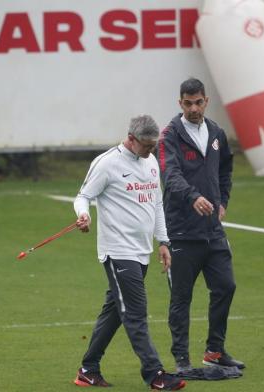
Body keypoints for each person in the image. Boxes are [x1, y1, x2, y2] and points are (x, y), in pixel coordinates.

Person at [73, 115, 186, 390]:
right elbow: (83, 196)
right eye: (146, 146)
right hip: (117, 252)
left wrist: (163, 241)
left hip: (141, 251)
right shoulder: (107, 163)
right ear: (132, 139)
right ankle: (155, 374)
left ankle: (88, 369)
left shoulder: (149, 162)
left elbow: (157, 202)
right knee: (135, 313)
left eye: (153, 146)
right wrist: (84, 215)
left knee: (114, 312)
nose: (150, 152)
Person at [157, 78, 245, 372]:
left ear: (206, 101)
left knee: (226, 287)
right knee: (181, 298)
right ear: (179, 103)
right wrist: (193, 196)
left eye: (198, 102)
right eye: (187, 103)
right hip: (181, 231)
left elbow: (225, 170)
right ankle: (182, 360)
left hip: (212, 232)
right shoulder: (169, 135)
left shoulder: (217, 132)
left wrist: (223, 201)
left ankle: (215, 351)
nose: (194, 108)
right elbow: (170, 176)